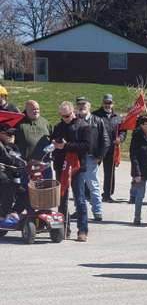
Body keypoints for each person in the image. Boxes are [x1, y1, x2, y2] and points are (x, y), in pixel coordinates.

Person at [52, 101, 92, 241]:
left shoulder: (84, 126)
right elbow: (55, 143)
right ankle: (64, 229)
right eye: (63, 116)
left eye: (68, 115)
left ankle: (82, 230)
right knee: (62, 199)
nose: (66, 118)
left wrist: (65, 146)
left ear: (73, 112)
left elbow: (87, 147)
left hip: (77, 167)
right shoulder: (58, 127)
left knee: (79, 198)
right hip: (61, 166)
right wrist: (54, 146)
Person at [76, 97, 109, 221]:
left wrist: (100, 156)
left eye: (84, 104)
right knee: (77, 185)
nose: (82, 106)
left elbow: (106, 140)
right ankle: (79, 209)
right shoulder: (74, 120)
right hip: (77, 158)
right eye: (79, 104)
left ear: (89, 106)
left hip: (91, 158)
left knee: (92, 185)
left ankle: (97, 211)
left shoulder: (97, 120)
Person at [92, 94, 125, 202]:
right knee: (91, 171)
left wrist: (120, 138)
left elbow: (123, 131)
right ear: (102, 103)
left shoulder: (118, 117)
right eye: (106, 103)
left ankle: (107, 194)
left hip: (111, 149)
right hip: (98, 148)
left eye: (109, 103)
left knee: (110, 173)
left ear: (113, 103)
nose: (107, 105)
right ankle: (88, 192)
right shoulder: (95, 115)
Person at [0, 123, 25, 220]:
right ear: (1, 134)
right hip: (3, 177)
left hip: (11, 175)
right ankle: (3, 214)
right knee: (8, 185)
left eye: (12, 134)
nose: (11, 136)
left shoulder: (11, 146)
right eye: (9, 134)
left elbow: (19, 157)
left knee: (25, 191)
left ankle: (14, 212)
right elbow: (8, 159)